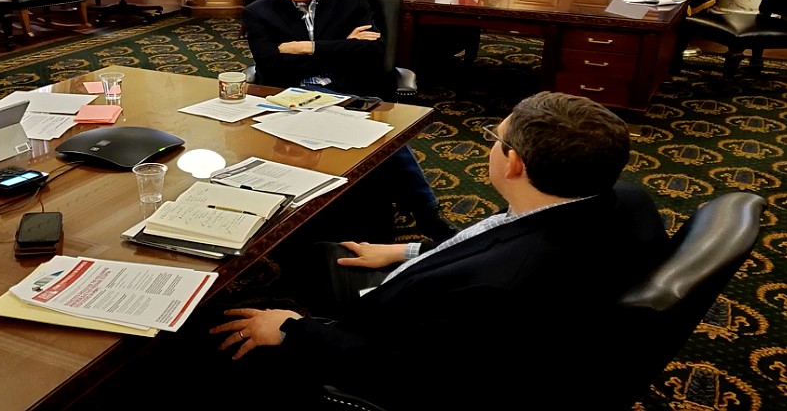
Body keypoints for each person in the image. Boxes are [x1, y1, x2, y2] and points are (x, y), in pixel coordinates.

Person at [199, 92, 670, 410]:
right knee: (319, 252)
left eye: (495, 139)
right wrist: (406, 252)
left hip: (399, 352)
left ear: (513, 163)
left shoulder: (501, 289)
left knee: (214, 354)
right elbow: (495, 240)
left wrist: (293, 330)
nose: (490, 146)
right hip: (444, 300)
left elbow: (407, 378)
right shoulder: (623, 199)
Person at [243, 0, 453, 243]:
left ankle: (427, 213)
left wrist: (306, 48)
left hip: (350, 92)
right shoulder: (259, 11)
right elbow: (272, 66)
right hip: (289, 96)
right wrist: (343, 48)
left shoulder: (351, 2)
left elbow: (372, 55)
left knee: (386, 142)